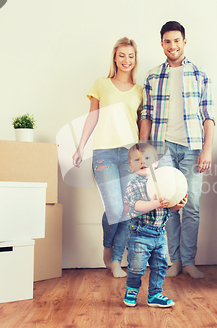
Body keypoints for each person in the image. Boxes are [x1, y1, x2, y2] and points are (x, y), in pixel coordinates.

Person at [140, 21, 215, 279]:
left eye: (177, 40)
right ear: (162, 44)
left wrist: (207, 149)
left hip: (193, 147)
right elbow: (146, 114)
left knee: (191, 205)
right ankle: (176, 261)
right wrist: (144, 148)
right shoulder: (152, 76)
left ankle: (190, 261)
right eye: (167, 41)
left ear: (184, 42)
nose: (172, 46)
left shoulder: (199, 74)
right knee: (169, 203)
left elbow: (208, 115)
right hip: (163, 147)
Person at [73, 37, 142, 278]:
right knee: (114, 207)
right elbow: (92, 117)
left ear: (135, 59)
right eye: (122, 55)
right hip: (104, 153)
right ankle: (107, 246)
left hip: (130, 155)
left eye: (131, 55)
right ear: (114, 57)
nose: (126, 60)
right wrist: (80, 146)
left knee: (127, 208)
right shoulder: (101, 84)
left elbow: (142, 125)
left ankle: (115, 261)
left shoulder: (140, 91)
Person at [123, 143, 187, 307]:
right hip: (139, 233)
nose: (142, 162)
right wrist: (153, 204)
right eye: (137, 160)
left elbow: (169, 205)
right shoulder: (134, 184)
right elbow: (136, 205)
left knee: (160, 266)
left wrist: (177, 204)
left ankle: (155, 294)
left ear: (156, 163)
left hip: (159, 233)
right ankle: (132, 289)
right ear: (131, 167)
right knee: (137, 266)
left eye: (147, 158)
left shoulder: (163, 181)